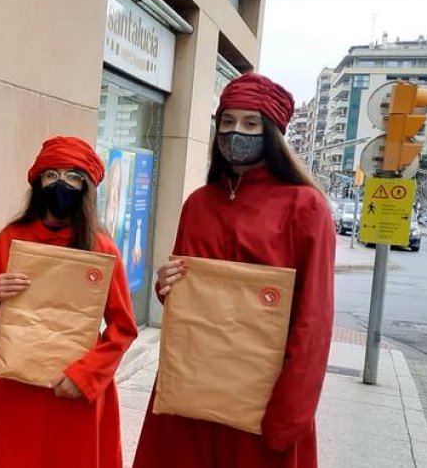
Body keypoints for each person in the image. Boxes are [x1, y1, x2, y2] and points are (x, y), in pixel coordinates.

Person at [133, 72, 336, 468]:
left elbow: (314, 318)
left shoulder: (305, 206)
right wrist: (166, 285)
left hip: (260, 396)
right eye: (227, 122)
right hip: (191, 387)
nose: (235, 132)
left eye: (250, 123)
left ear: (272, 133)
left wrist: (290, 412)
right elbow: (186, 292)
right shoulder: (199, 203)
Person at [0, 136, 138, 468]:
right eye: (52, 175)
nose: (61, 184)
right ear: (38, 182)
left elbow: (123, 328)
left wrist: (86, 376)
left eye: (73, 177)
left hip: (74, 388)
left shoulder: (102, 249)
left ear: (86, 188)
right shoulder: (11, 238)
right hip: (16, 385)